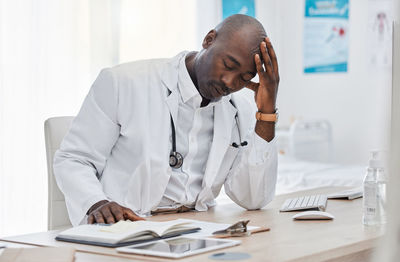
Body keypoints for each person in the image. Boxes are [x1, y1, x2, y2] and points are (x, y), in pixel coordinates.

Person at [54, 14, 280, 226]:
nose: (230, 83)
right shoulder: (124, 83)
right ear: (208, 40)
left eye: (244, 77)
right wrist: (97, 202)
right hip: (129, 226)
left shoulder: (239, 108)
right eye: (228, 65)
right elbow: (74, 159)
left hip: (200, 228)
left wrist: (267, 113)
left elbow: (253, 198)